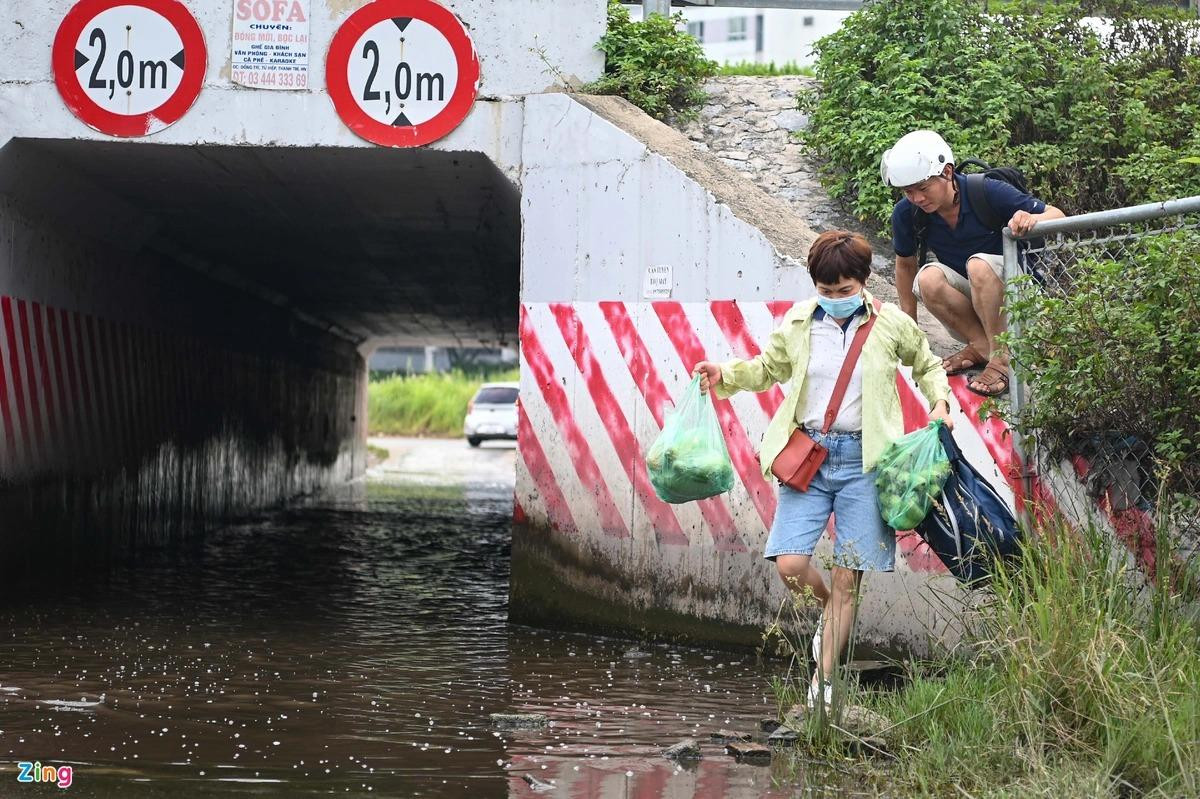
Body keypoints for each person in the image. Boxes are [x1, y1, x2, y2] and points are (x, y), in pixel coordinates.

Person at [692, 230, 952, 708]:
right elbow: (767, 369)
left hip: (866, 462)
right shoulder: (798, 322)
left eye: (844, 290)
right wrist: (724, 373)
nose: (834, 298)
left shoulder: (891, 324)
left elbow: (927, 363)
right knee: (790, 564)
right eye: (825, 290)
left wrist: (940, 402)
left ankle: (823, 688)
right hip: (809, 458)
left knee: (848, 578)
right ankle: (830, 612)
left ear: (863, 281)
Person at [880, 130, 1065, 397]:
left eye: (923, 188)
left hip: (1020, 301)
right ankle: (981, 346)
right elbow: (905, 265)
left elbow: (1057, 215)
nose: (917, 198)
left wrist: (1030, 219)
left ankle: (1002, 359)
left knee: (978, 265)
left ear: (947, 172)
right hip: (977, 303)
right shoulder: (907, 213)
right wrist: (909, 329)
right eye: (908, 191)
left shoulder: (986, 191)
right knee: (927, 278)